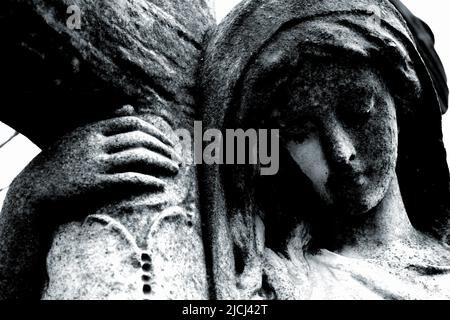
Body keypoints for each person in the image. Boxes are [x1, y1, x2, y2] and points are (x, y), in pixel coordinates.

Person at [200, 0, 450, 299]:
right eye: (300, 131)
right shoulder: (279, 284)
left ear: (402, 101)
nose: (341, 152)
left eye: (359, 110)